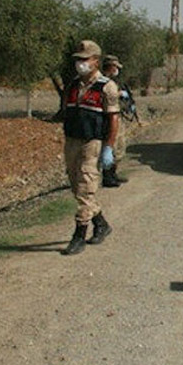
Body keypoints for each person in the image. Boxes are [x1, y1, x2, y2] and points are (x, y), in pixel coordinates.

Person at [62, 40, 120, 255]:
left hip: (92, 143)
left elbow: (113, 119)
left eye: (84, 59)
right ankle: (101, 223)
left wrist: (109, 148)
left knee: (86, 186)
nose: (80, 64)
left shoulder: (106, 87)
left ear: (95, 61)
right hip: (72, 141)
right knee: (77, 188)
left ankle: (79, 235)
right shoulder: (73, 85)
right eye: (78, 60)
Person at [100, 55, 133, 187]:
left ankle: (113, 174)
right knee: (110, 147)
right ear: (111, 66)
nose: (117, 70)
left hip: (117, 117)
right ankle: (107, 177)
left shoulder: (114, 81)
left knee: (119, 147)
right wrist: (118, 94)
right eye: (116, 67)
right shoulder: (102, 81)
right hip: (108, 119)